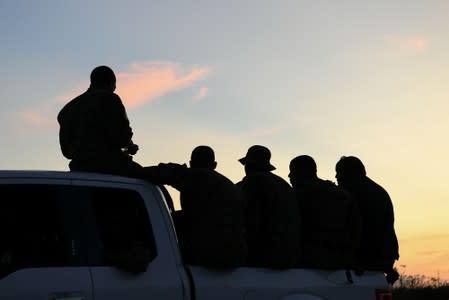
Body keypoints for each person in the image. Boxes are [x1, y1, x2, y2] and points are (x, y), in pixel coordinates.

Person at [145, 162, 247, 268]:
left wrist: (135, 170)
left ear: (191, 163)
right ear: (214, 165)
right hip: (234, 255)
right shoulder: (230, 187)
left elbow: (167, 173)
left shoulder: (200, 177)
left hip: (213, 254)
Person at [57, 65, 143, 178]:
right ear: (110, 83)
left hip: (79, 169)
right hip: (112, 167)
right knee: (167, 173)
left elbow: (67, 152)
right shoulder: (110, 99)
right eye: (114, 85)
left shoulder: (67, 110)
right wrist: (130, 146)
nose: (115, 88)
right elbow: (122, 137)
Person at [288, 155, 362, 270]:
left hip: (307, 263)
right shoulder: (341, 194)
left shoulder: (296, 196)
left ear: (300, 173)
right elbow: (356, 228)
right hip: (340, 262)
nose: (289, 176)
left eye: (292, 171)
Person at [335, 156, 399, 284]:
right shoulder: (379, 191)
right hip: (384, 257)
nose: (336, 177)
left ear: (347, 174)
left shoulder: (351, 194)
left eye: (339, 173)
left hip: (365, 259)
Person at [237, 145, 299, 268]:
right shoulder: (284, 185)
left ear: (249, 166)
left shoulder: (253, 182)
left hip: (266, 256)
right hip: (290, 256)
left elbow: (251, 222)